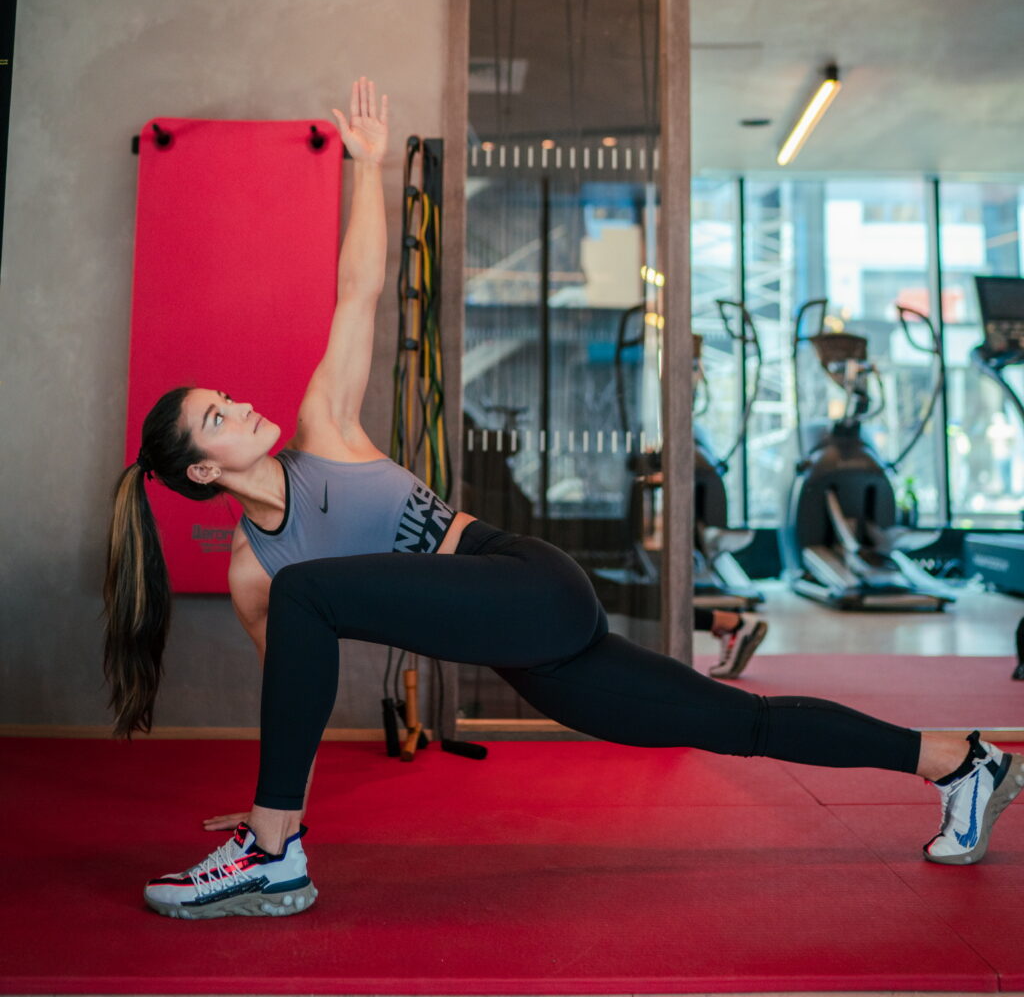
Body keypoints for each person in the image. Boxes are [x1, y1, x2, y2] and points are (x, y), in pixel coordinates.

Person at [105, 79, 1024, 921]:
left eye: (226, 397)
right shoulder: (256, 573)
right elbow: (293, 697)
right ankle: (961, 762)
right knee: (733, 721)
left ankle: (273, 858)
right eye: (218, 417)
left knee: (309, 591)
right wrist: (276, 791)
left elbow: (360, 292)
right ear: (202, 473)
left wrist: (370, 167)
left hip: (525, 583)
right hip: (531, 654)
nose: (241, 406)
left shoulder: (325, 430)